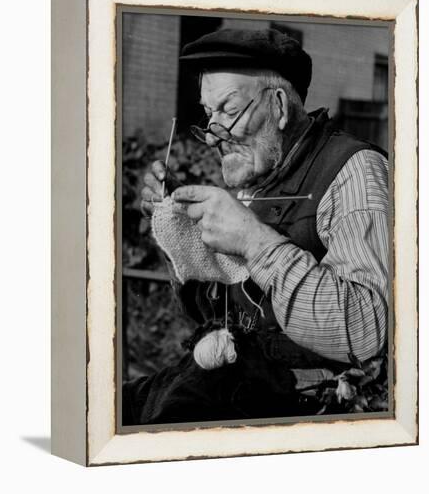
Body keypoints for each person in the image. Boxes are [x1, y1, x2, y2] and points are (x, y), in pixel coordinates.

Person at [123, 28, 388, 425]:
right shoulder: (258, 176)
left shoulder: (355, 173)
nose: (213, 137)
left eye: (228, 110)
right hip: (224, 379)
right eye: (208, 114)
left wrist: (253, 241)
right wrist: (182, 237)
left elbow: (367, 330)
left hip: (300, 406)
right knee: (103, 404)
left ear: (279, 105)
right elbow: (210, 313)